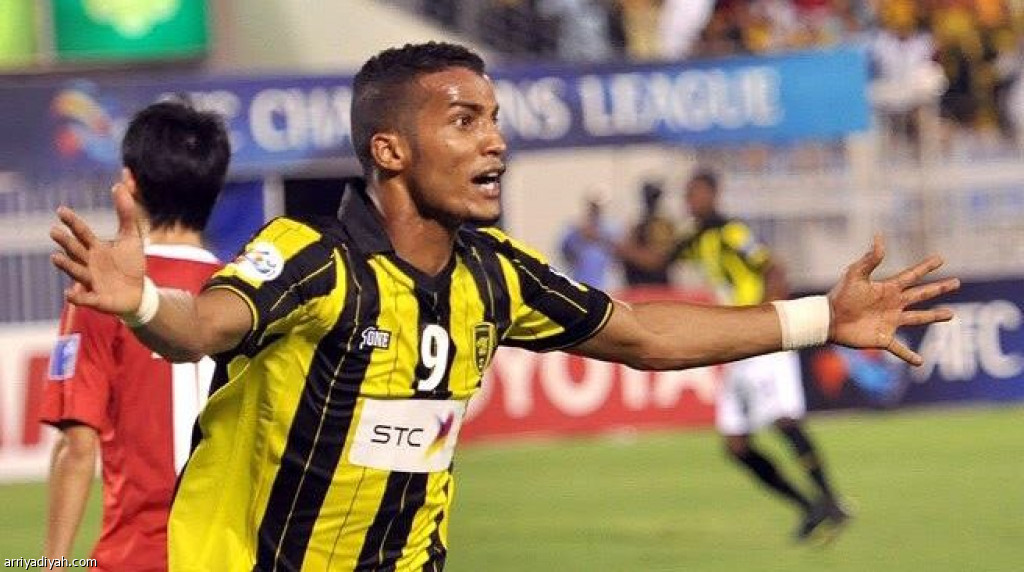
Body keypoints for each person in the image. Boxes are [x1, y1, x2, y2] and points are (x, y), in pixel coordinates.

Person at [48, 42, 959, 570]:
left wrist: (820, 319)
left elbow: (642, 332)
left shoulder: (497, 273)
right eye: (465, 120)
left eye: (493, 118)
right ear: (391, 150)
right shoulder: (310, 256)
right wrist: (144, 304)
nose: (495, 141)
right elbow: (203, 327)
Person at [41, 101, 230, 570]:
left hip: (136, 556)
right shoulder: (247, 294)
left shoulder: (102, 293)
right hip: (233, 556)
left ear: (129, 182)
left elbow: (77, 447)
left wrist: (54, 563)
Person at [627, 168, 855, 541]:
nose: (689, 201)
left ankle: (831, 501)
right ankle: (809, 507)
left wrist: (766, 320)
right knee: (735, 445)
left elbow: (774, 269)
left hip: (760, 338)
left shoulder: (732, 232)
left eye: (695, 193)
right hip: (736, 345)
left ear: (714, 194)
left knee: (784, 422)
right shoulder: (697, 236)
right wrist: (614, 244)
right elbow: (656, 263)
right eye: (687, 195)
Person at [559, 190, 618, 289]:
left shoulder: (611, 228)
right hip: (579, 281)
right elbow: (565, 251)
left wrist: (599, 238)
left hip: (605, 283)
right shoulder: (576, 228)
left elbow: (618, 253)